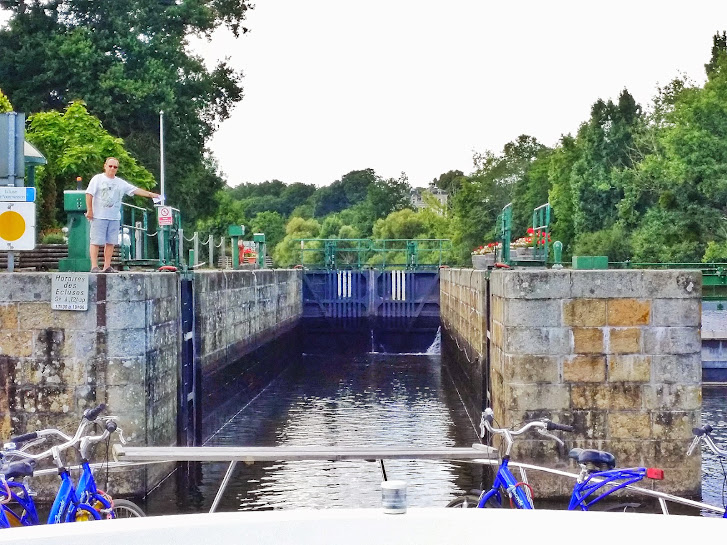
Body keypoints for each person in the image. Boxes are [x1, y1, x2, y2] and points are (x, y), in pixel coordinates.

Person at [85, 157, 160, 273]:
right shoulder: (97, 179)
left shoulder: (120, 182)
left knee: (111, 242)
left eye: (115, 167)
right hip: (99, 216)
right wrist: (90, 210)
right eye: (110, 166)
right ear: (105, 166)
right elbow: (89, 194)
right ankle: (94, 266)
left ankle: (107, 266)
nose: (112, 169)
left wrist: (151, 195)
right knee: (95, 241)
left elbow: (134, 190)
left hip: (114, 217)